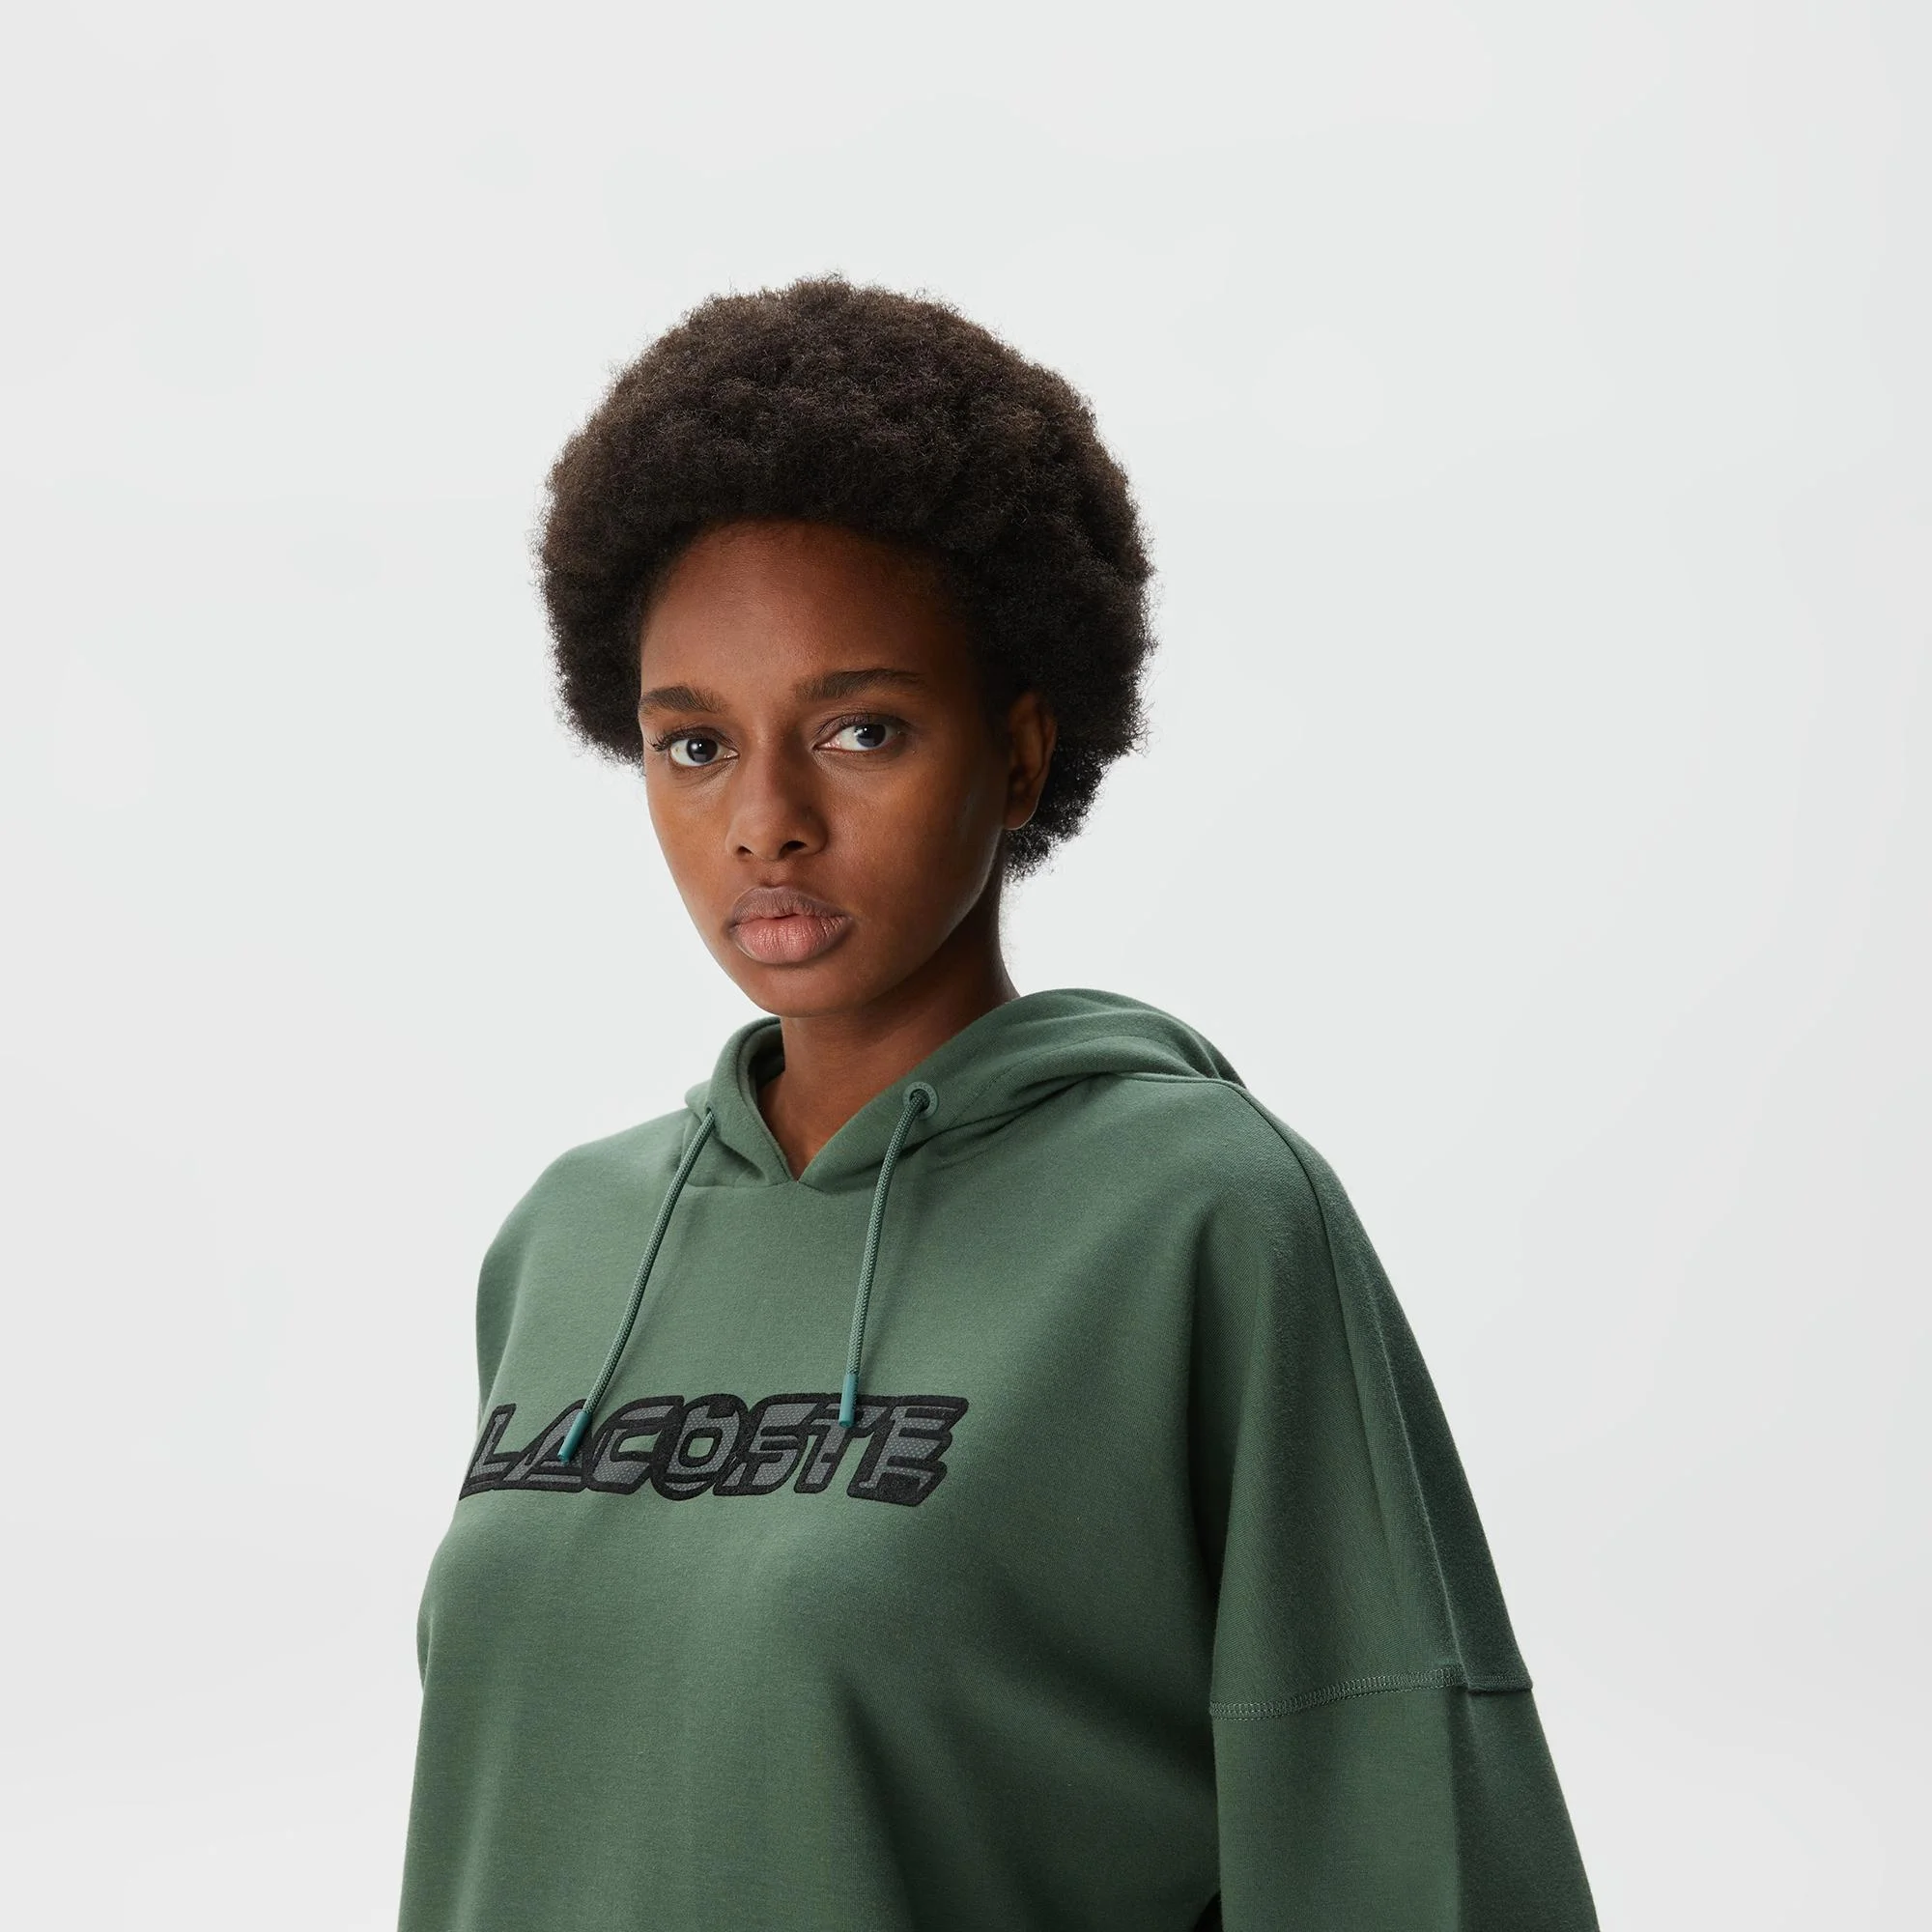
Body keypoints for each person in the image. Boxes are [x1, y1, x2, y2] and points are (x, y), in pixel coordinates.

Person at [396, 273, 1600, 1931]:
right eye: (694, 745)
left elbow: (1395, 1820)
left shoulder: (1199, 1218)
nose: (766, 820)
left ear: (1019, 754)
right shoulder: (572, 1242)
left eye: (860, 729)